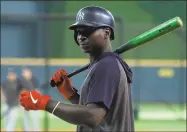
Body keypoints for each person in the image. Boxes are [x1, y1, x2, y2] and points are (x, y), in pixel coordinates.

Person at [19, 6, 135, 131]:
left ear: (106, 33)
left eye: (87, 31)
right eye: (78, 32)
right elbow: (99, 113)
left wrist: (45, 103)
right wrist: (71, 94)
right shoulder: (106, 64)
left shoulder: (107, 65)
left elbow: (93, 116)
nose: (81, 37)